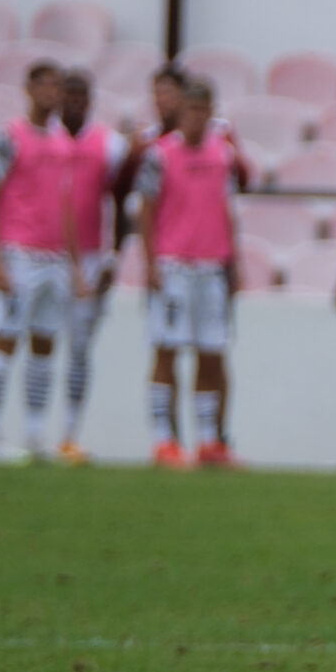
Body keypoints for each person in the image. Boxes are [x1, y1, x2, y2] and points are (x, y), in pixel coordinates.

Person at [0, 63, 86, 460]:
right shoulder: (9, 137)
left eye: (57, 86)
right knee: (6, 339)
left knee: (44, 343)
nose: (51, 93)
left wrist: (75, 265)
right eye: (44, 85)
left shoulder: (62, 142)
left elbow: (66, 205)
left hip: (55, 257)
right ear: (29, 89)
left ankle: (35, 435)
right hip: (20, 253)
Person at [135, 81, 240, 469]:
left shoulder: (223, 154)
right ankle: (164, 440)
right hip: (174, 266)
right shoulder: (159, 155)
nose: (197, 118)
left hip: (211, 267)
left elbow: (228, 209)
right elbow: (145, 210)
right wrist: (150, 263)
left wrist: (234, 262)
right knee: (167, 347)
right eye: (191, 111)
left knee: (211, 351)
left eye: (203, 111)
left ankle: (209, 440)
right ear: (181, 114)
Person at [55, 69, 130, 465]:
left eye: (81, 94)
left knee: (80, 348)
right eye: (68, 93)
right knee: (40, 343)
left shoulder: (109, 145)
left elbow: (120, 203)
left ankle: (69, 433)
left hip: (89, 254)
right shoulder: (41, 139)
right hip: (45, 253)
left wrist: (113, 256)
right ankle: (32, 429)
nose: (74, 101)